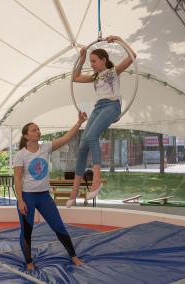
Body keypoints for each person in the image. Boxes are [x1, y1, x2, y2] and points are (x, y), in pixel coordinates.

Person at [67, 35, 137, 207]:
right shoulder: (95, 77)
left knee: (91, 137)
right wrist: (82, 58)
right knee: (83, 147)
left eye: (94, 61)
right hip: (98, 108)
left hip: (112, 106)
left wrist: (120, 39)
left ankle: (96, 180)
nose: (92, 64)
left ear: (104, 60)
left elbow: (132, 56)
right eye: (90, 61)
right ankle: (74, 191)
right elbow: (75, 77)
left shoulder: (113, 72)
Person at [14, 112, 87, 270]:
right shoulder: (20, 155)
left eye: (38, 129)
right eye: (34, 130)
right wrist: (20, 201)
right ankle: (28, 262)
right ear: (26, 136)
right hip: (27, 197)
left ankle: (74, 257)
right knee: (27, 230)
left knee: (58, 226)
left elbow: (66, 138)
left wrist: (79, 123)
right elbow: (17, 180)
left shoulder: (46, 147)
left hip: (44, 197)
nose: (38, 131)